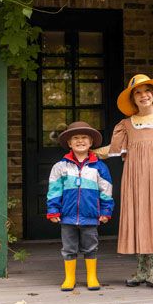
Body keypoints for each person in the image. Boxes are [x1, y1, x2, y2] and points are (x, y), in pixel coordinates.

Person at [100, 74, 153, 290]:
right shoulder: (125, 125)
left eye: (147, 90)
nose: (143, 95)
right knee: (139, 218)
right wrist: (88, 151)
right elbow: (113, 150)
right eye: (137, 92)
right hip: (135, 179)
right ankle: (140, 270)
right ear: (133, 99)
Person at [46, 121, 114, 291]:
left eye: (84, 137)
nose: (80, 141)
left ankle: (92, 276)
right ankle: (70, 278)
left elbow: (106, 190)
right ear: (69, 143)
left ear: (91, 142)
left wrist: (106, 210)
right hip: (67, 215)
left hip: (90, 215)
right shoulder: (60, 167)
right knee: (68, 248)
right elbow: (54, 190)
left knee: (91, 246)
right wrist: (53, 209)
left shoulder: (99, 167)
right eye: (75, 138)